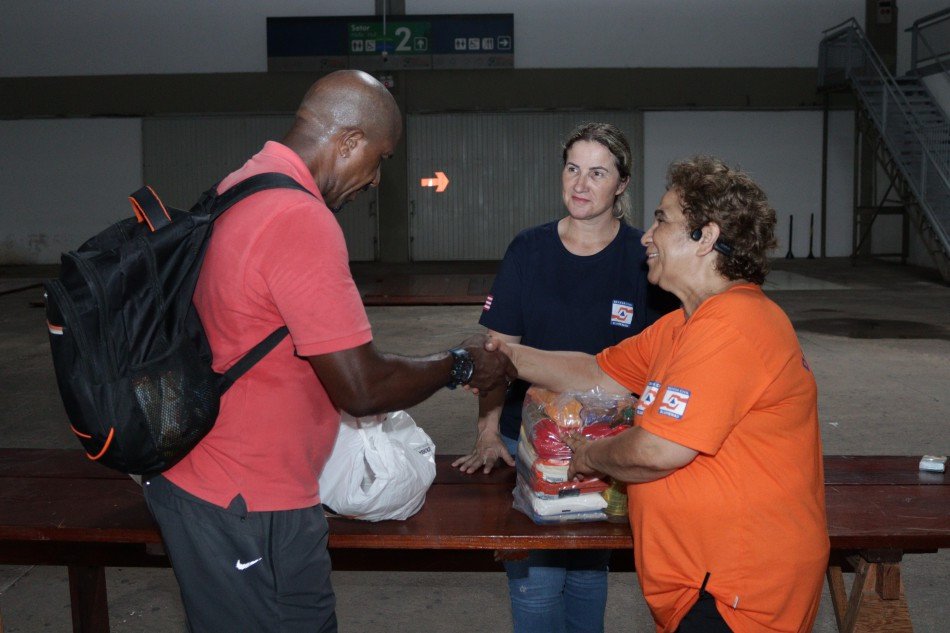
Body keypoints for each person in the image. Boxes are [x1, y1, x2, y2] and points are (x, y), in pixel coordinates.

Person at [141, 70, 514, 633]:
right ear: (347, 141)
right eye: (380, 158)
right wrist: (459, 364)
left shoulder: (242, 184)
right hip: (245, 502)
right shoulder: (299, 219)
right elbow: (361, 389)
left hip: (223, 485)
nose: (375, 178)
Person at [487, 156, 829, 633]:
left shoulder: (734, 326)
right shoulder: (684, 325)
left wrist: (590, 455)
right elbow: (595, 371)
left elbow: (658, 449)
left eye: (662, 221)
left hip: (739, 588)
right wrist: (503, 355)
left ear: (705, 237)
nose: (647, 236)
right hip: (702, 580)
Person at [453, 122, 673, 633]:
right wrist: (488, 432)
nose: (580, 183)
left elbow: (662, 364)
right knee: (535, 582)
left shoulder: (645, 259)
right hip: (527, 442)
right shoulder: (528, 251)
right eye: (573, 168)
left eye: (597, 173)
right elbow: (495, 356)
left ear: (621, 185)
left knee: (589, 573)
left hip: (606, 448)